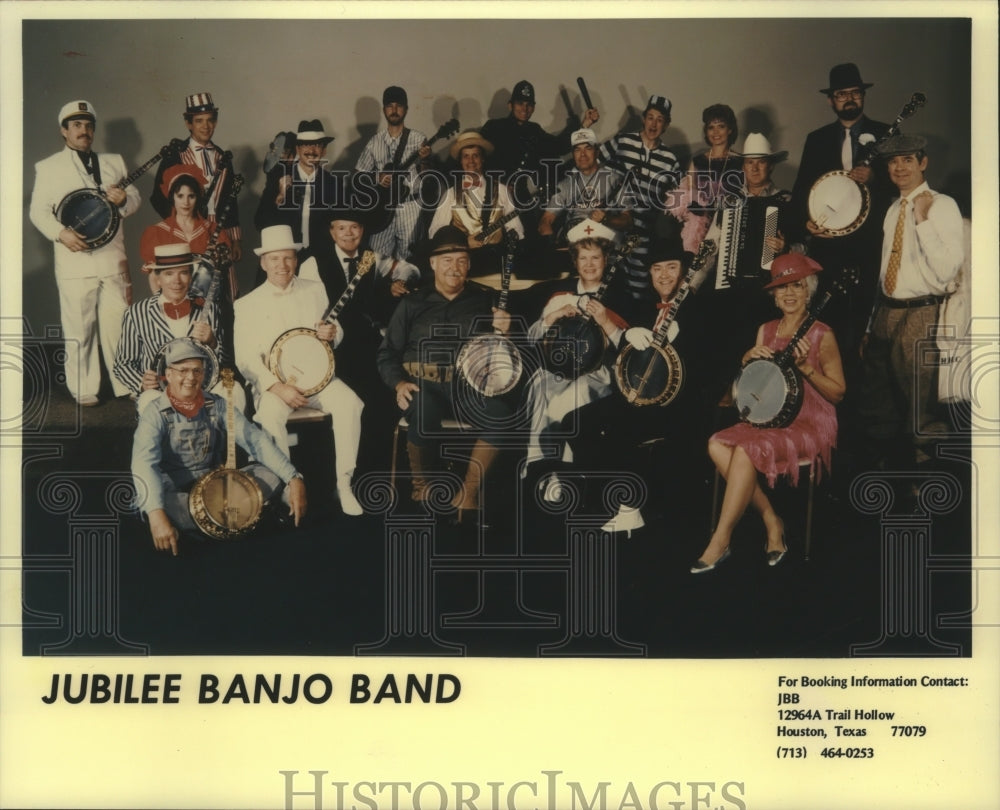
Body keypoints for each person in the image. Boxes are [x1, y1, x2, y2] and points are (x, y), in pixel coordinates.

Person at [692, 253, 845, 573]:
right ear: (774, 296)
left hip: (809, 421)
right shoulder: (765, 330)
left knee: (746, 451)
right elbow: (757, 380)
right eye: (782, 288)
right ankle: (772, 520)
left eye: (797, 286)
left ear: (809, 291)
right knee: (716, 444)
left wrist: (806, 369)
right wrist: (748, 357)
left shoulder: (821, 334)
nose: (789, 294)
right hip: (769, 417)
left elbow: (838, 393)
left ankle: (720, 540)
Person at [565, 237, 706, 534]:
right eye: (657, 268)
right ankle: (597, 501)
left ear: (683, 271)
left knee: (621, 426)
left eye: (671, 267)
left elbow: (705, 370)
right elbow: (626, 357)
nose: (664, 275)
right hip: (635, 396)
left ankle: (630, 507)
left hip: (676, 405)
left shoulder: (702, 310)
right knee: (574, 421)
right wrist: (626, 335)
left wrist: (682, 342)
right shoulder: (645, 309)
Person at [377, 225, 516, 520]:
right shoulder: (412, 303)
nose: (455, 268)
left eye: (462, 261)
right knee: (424, 407)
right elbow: (387, 352)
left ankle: (468, 492)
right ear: (433, 264)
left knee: (502, 414)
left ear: (469, 265)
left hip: (467, 386)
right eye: (447, 260)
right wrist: (399, 383)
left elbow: (502, 354)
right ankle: (422, 486)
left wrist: (507, 332)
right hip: (420, 384)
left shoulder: (485, 301)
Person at [234, 225, 364, 516]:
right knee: (269, 415)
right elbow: (244, 359)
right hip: (275, 386)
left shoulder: (314, 289)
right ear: (263, 262)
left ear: (296, 259)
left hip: (319, 380)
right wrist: (277, 387)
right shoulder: (246, 305)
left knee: (351, 403)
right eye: (275, 259)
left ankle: (344, 483)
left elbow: (334, 330)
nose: (283, 265)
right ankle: (286, 486)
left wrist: (333, 333)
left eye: (289, 258)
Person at [131, 340, 306, 556]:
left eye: (197, 370)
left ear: (204, 374)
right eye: (182, 370)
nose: (190, 377)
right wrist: (156, 514)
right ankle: (236, 517)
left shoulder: (217, 404)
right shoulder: (154, 413)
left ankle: (204, 526)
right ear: (168, 373)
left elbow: (254, 440)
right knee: (153, 503)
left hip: (214, 486)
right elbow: (143, 464)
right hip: (176, 489)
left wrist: (293, 477)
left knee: (271, 474)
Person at [858, 135, 964, 477]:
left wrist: (922, 220)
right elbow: (884, 271)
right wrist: (870, 324)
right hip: (887, 313)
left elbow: (948, 270)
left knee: (921, 409)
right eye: (892, 162)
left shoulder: (941, 205)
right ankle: (886, 486)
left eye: (907, 160)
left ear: (923, 163)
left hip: (922, 312)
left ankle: (925, 492)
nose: (899, 167)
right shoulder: (892, 209)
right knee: (879, 406)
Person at [28, 99, 140, 406]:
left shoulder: (114, 161)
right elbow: (38, 212)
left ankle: (126, 382)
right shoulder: (49, 167)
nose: (84, 131)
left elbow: (134, 198)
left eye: (89, 125)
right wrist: (60, 233)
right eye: (76, 125)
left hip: (113, 259)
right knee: (80, 325)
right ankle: (84, 387)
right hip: (75, 260)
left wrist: (123, 201)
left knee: (120, 322)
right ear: (64, 131)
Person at [298, 208, 420, 472]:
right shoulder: (312, 263)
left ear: (362, 231)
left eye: (354, 227)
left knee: (383, 398)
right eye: (341, 228)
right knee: (351, 402)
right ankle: (342, 471)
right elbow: (309, 311)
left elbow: (410, 270)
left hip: (366, 343)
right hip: (329, 346)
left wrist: (397, 282)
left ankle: (376, 468)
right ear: (332, 231)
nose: (348, 234)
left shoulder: (372, 257)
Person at [788, 63, 893, 358]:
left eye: (855, 93)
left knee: (864, 330)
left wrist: (875, 178)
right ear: (830, 100)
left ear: (863, 96)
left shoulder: (884, 134)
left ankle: (859, 397)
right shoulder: (817, 139)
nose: (849, 98)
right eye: (841, 93)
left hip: (870, 247)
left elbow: (900, 185)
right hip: (829, 250)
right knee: (826, 325)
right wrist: (805, 223)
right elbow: (801, 192)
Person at [521, 237, 630, 499]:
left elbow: (626, 349)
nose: (589, 264)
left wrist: (604, 321)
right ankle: (539, 465)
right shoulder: (560, 294)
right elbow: (532, 337)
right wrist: (553, 317)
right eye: (583, 258)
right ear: (575, 262)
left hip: (597, 372)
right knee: (541, 384)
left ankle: (566, 472)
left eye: (595, 258)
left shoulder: (620, 297)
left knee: (575, 395)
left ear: (606, 261)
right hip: (560, 368)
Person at [114, 242, 245, 414]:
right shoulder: (136, 313)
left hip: (203, 387)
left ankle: (224, 441)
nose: (176, 281)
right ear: (158, 278)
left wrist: (213, 342)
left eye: (183, 273)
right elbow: (122, 364)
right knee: (148, 400)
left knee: (233, 389)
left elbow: (226, 362)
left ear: (191, 276)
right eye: (169, 274)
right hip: (161, 391)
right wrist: (141, 382)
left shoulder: (209, 308)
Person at [599, 95, 681, 298]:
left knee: (638, 290)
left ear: (666, 125)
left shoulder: (670, 159)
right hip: (613, 226)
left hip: (643, 235)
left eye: (660, 119)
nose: (654, 124)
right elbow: (593, 162)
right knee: (605, 282)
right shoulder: (624, 141)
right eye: (650, 117)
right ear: (644, 119)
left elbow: (678, 201)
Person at [150, 92, 243, 264]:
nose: (206, 126)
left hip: (220, 231)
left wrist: (235, 239)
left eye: (210, 120)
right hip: (187, 231)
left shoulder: (223, 157)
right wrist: (180, 224)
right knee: (190, 281)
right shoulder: (175, 155)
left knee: (222, 284)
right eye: (199, 121)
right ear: (188, 123)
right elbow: (157, 197)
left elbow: (231, 200)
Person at [428, 130, 524, 278]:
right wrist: (462, 243)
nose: (471, 161)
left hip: (496, 262)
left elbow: (516, 227)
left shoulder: (502, 190)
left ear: (483, 159)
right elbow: (436, 231)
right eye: (466, 156)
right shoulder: (451, 193)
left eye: (476, 155)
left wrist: (512, 238)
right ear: (460, 161)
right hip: (463, 264)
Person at [354, 85, 432, 261]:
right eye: (390, 106)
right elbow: (358, 176)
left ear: (406, 109)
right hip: (383, 208)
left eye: (399, 105)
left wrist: (425, 160)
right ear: (384, 110)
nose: (394, 110)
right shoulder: (375, 142)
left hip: (410, 205)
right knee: (376, 259)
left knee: (410, 258)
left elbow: (427, 177)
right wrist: (377, 178)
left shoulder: (419, 139)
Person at [139, 164, 233, 293]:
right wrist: (161, 307)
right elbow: (154, 277)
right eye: (180, 196)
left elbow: (221, 276)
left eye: (191, 196)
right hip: (172, 301)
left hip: (207, 301)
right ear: (172, 197)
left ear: (197, 198)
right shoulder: (157, 233)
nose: (186, 202)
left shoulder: (213, 230)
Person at [254, 120, 339, 251]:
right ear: (298, 149)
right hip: (287, 258)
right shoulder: (278, 179)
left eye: (317, 145)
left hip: (320, 260)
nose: (311, 150)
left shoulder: (333, 183)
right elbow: (261, 223)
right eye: (306, 145)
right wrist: (280, 196)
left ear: (324, 151)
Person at [669, 103, 743, 253]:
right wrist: (694, 207)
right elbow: (687, 194)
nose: (715, 132)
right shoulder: (698, 161)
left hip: (730, 226)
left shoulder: (740, 161)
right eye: (711, 127)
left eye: (721, 126)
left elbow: (747, 195)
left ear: (730, 130)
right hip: (701, 228)